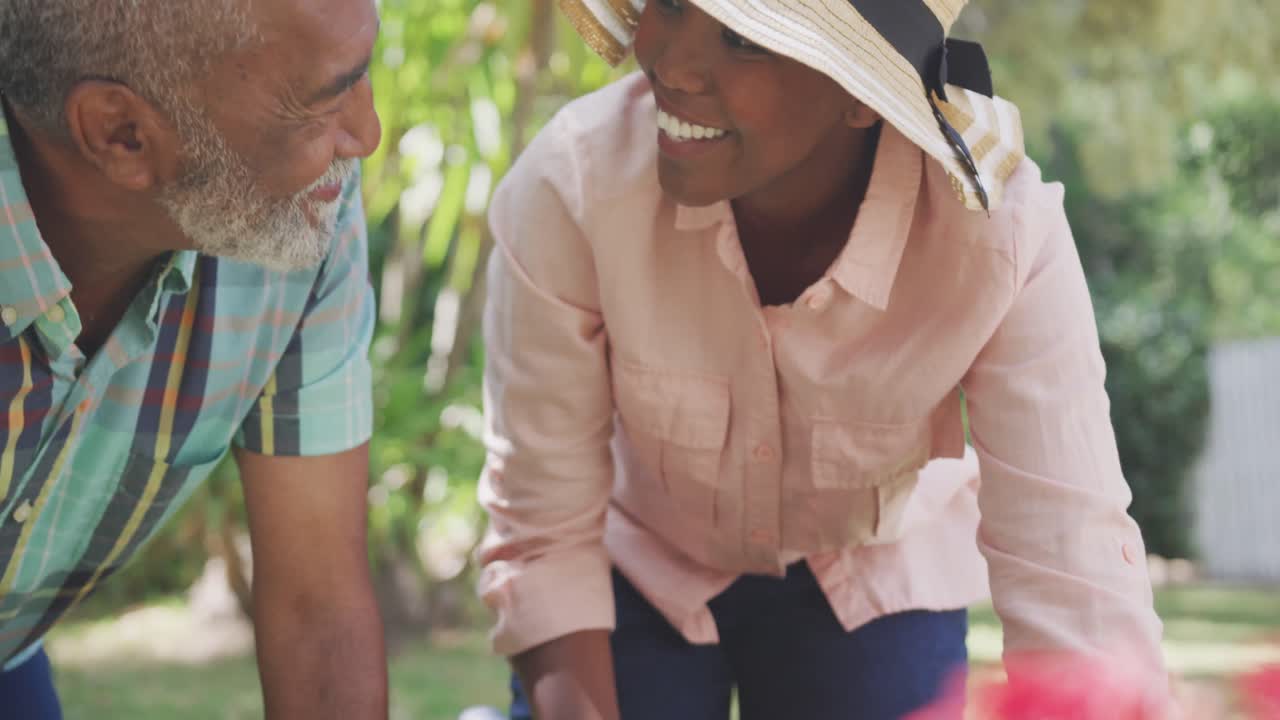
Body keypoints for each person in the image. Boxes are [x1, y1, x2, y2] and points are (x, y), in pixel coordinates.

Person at [476, 0, 1170, 718]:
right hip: (640, 557)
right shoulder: (572, 186)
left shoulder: (999, 238)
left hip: (871, 564)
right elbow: (545, 532)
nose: (672, 63)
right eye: (672, 4)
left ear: (864, 93)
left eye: (744, 38)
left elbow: (1070, 567)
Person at [0, 1, 387, 717]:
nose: (367, 135)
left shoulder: (303, 219)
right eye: (325, 100)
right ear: (122, 135)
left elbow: (317, 606)